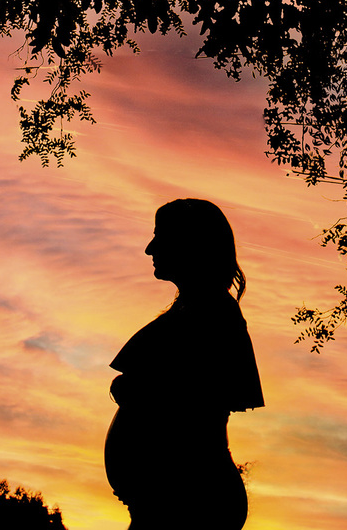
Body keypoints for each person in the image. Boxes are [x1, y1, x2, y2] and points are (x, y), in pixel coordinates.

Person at [105, 199, 264, 529]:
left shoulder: (212, 315)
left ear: (190, 244)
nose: (150, 249)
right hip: (163, 501)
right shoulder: (193, 312)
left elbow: (192, 402)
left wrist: (136, 391)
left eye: (159, 237)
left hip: (187, 500)